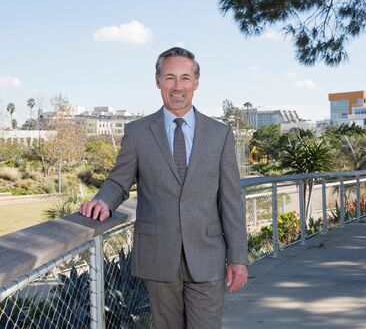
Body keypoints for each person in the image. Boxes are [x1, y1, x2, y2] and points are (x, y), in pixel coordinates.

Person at [80, 47, 248, 328]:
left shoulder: (220, 134)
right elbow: (119, 181)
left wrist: (238, 258)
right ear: (158, 81)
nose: (177, 86)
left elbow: (231, 199)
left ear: (196, 82)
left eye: (185, 77)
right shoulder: (137, 133)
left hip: (207, 255)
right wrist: (103, 201)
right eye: (170, 77)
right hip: (159, 256)